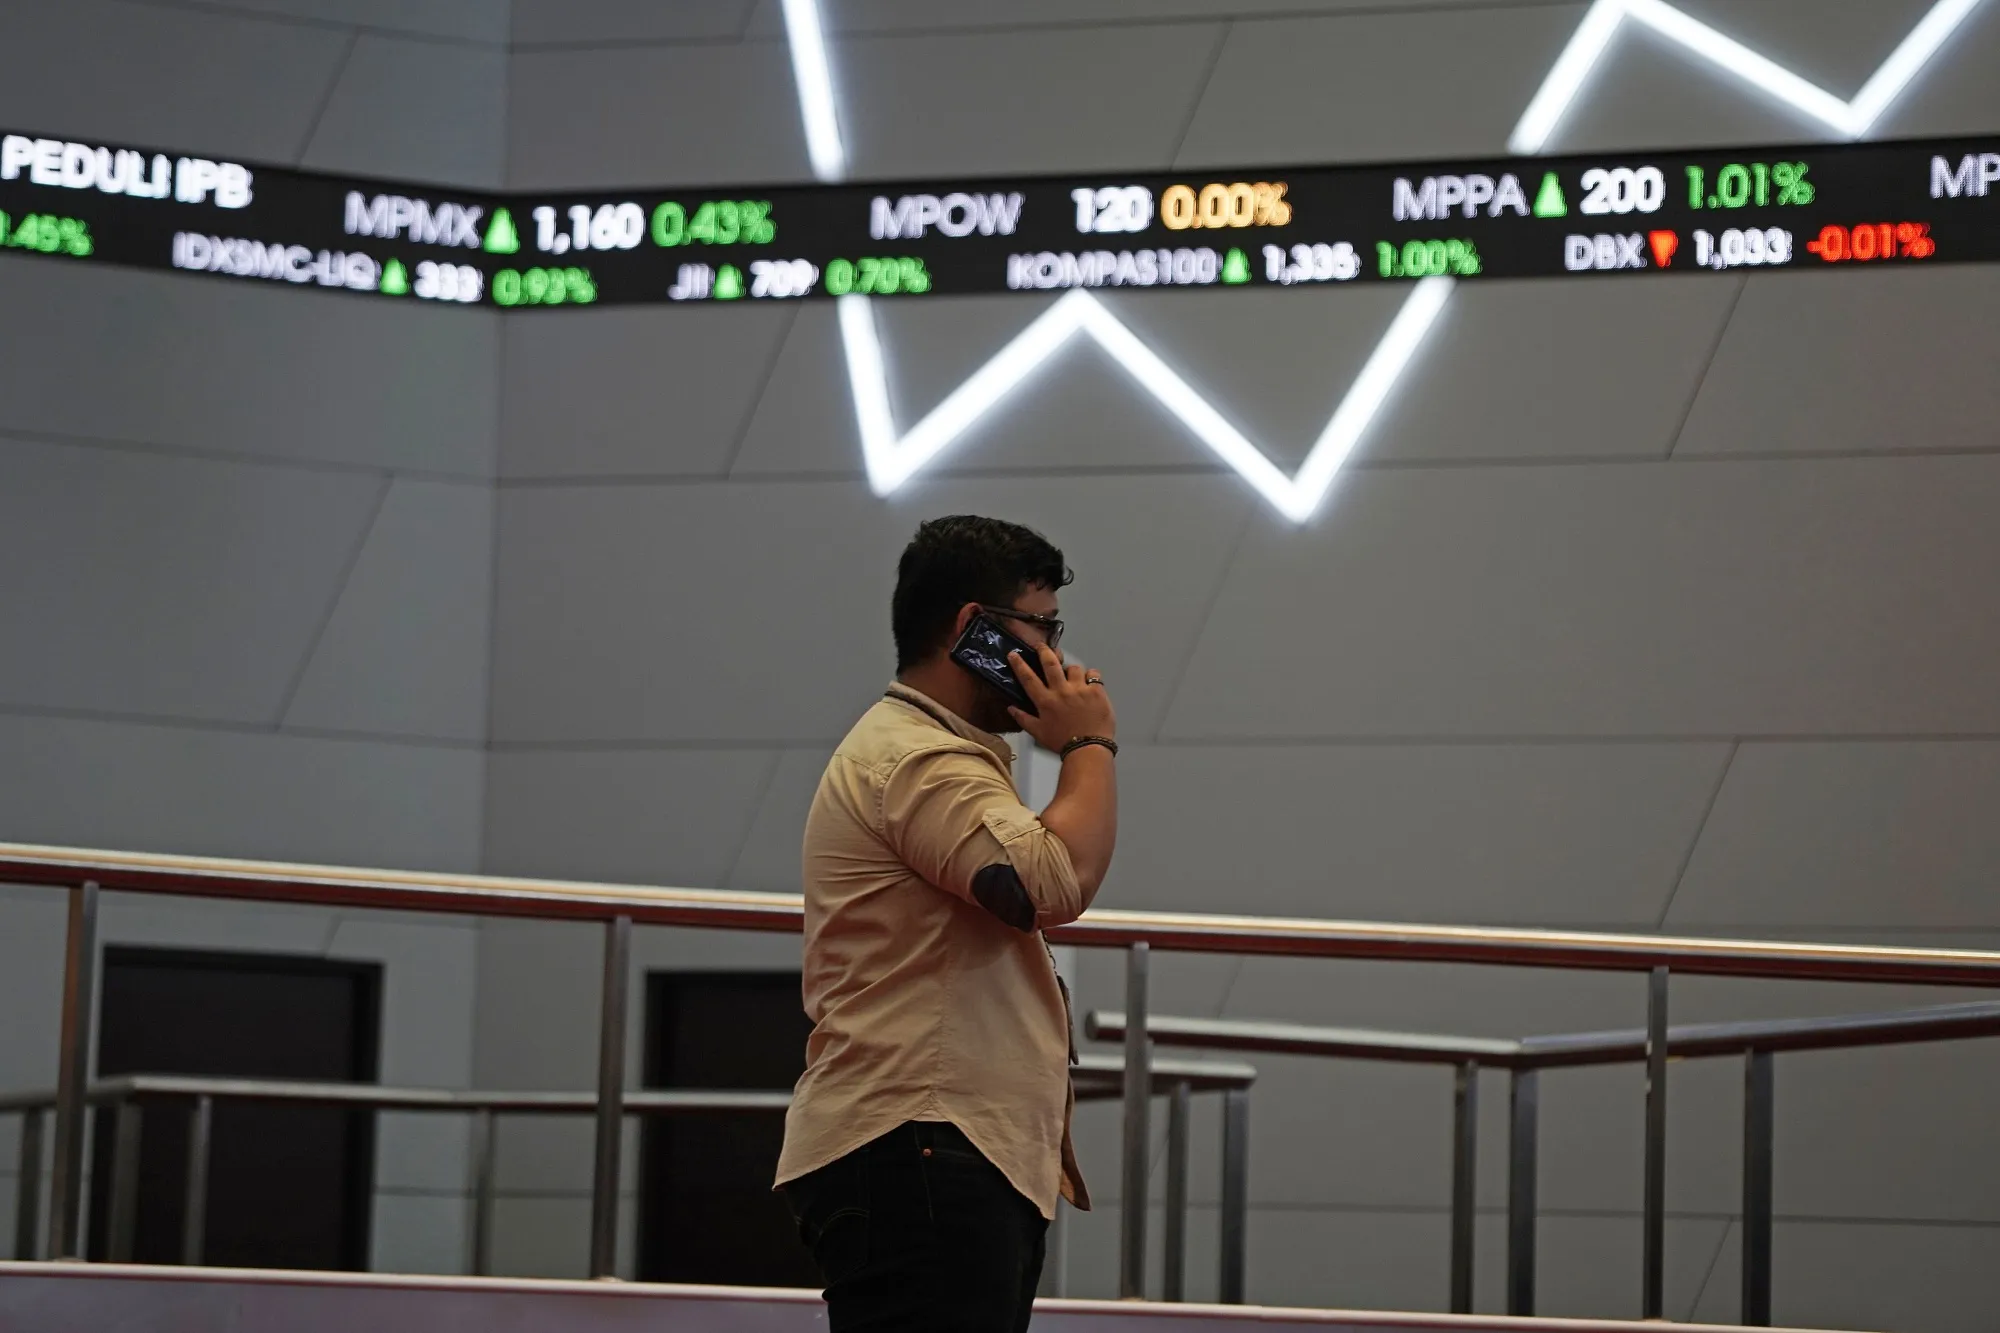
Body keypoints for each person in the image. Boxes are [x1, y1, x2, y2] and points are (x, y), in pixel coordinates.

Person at [775, 515, 1120, 1331]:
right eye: (1042, 627)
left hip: (926, 1147)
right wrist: (1091, 744)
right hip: (921, 1142)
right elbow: (1052, 882)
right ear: (974, 630)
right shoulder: (917, 758)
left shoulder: (927, 751)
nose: (1059, 659)